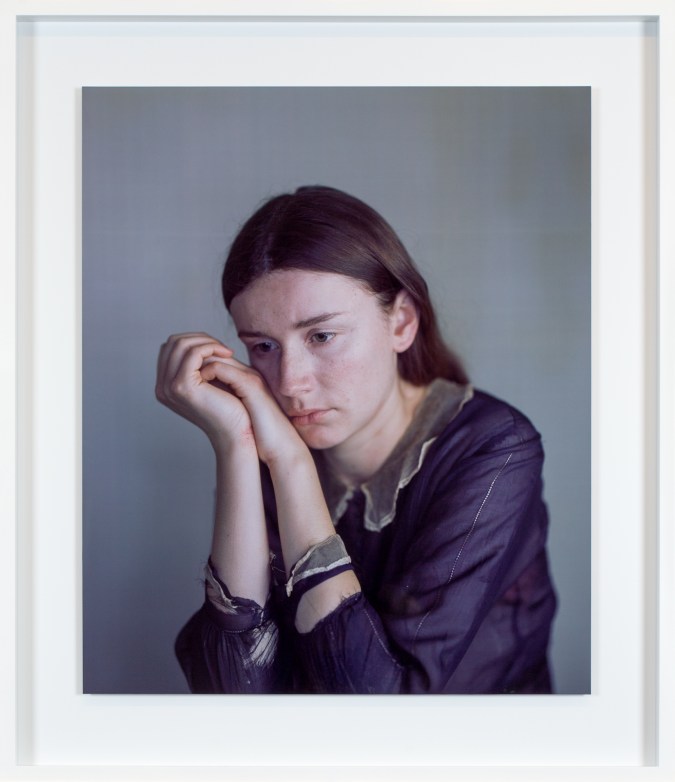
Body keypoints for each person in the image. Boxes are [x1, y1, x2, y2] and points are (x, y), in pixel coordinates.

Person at [155, 185, 557, 694]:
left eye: (321, 336)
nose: (288, 383)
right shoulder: (268, 447)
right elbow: (233, 694)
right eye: (262, 346)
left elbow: (380, 710)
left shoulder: (493, 450)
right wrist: (235, 443)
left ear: (402, 323)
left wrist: (293, 467)